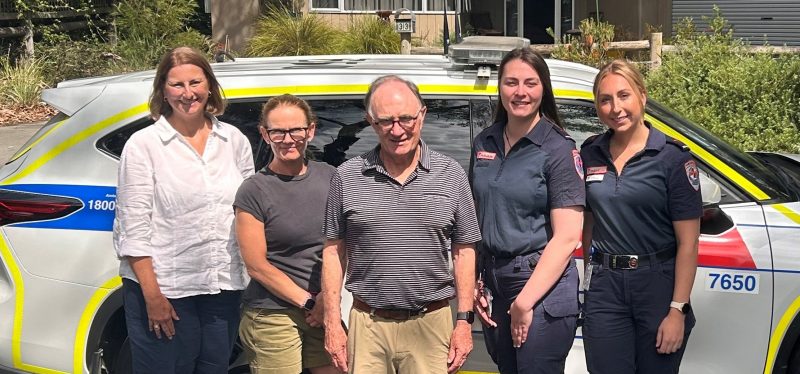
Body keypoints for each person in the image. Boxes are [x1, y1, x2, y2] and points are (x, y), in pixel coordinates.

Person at [320, 75, 482, 374]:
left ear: (422, 115)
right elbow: (333, 252)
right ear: (370, 121)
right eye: (386, 121)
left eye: (406, 118)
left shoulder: (451, 174)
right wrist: (332, 323)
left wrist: (463, 321)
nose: (397, 130)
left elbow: (464, 251)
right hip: (367, 325)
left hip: (431, 325)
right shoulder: (347, 176)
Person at [113, 46, 254, 373]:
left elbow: (247, 212)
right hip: (166, 292)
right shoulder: (143, 146)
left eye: (195, 83)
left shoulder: (233, 141)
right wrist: (153, 298)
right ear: (163, 89)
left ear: (209, 86)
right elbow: (133, 230)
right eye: (177, 85)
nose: (188, 93)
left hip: (222, 288)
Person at [580, 59, 701, 374]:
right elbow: (589, 224)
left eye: (624, 96)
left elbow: (688, 244)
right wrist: (588, 282)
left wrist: (677, 310)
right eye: (605, 99)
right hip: (605, 287)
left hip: (657, 285)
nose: (615, 108)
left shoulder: (672, 159)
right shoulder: (590, 152)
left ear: (642, 97)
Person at [469, 48, 584, 373]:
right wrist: (478, 279)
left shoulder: (558, 149)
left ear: (543, 88)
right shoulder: (484, 143)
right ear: (500, 88)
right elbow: (478, 216)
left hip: (539, 287)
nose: (520, 92)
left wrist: (524, 301)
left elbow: (567, 237)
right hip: (497, 284)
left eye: (530, 83)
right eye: (511, 82)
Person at [234, 94, 338, 374]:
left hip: (324, 308)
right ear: (264, 134)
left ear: (311, 130)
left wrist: (326, 301)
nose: (288, 139)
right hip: (273, 312)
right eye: (278, 131)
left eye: (296, 130)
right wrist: (308, 301)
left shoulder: (330, 177)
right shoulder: (254, 190)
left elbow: (342, 245)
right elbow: (257, 266)